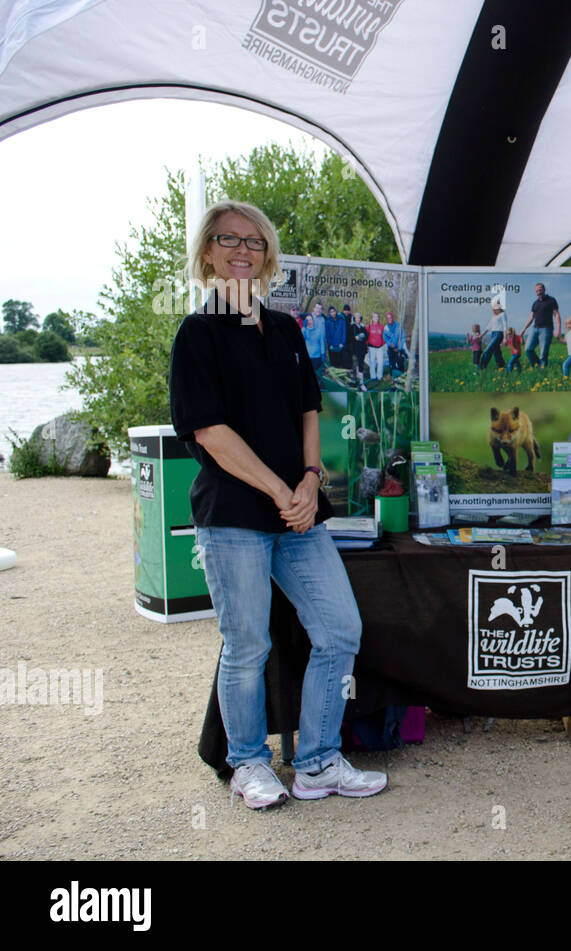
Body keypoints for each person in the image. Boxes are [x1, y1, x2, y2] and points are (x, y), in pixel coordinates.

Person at [168, 199, 386, 809]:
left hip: (300, 514)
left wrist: (312, 479)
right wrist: (280, 489)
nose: (242, 250)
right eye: (228, 240)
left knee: (340, 630)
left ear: (268, 257)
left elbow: (308, 411)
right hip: (234, 517)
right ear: (207, 254)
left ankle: (317, 761)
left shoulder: (287, 329)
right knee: (248, 647)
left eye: (254, 242)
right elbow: (208, 431)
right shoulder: (197, 335)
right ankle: (247, 763)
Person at [522, 282, 560, 368]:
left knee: (543, 354)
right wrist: (524, 329)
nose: (538, 292)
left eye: (540, 290)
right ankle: (537, 365)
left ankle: (542, 371)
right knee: (528, 349)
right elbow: (531, 317)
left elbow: (557, 314)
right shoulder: (535, 303)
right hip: (535, 328)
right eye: (536, 290)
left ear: (544, 290)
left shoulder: (551, 300)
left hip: (546, 329)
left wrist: (558, 329)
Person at [479, 301, 507, 371]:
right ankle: (502, 367)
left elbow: (505, 326)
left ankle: (481, 369)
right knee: (496, 353)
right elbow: (488, 327)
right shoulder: (494, 316)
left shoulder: (502, 314)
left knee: (487, 351)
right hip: (493, 334)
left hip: (499, 334)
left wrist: (505, 338)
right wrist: (481, 335)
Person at [383, 311, 407, 376]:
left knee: (400, 362)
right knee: (392, 363)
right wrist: (390, 344)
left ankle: (401, 376)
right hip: (391, 348)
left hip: (399, 348)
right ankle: (393, 376)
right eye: (387, 318)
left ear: (392, 318)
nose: (389, 319)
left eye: (390, 317)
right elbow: (385, 338)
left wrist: (399, 347)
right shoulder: (386, 328)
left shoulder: (398, 326)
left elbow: (403, 337)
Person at [324, 303, 347, 369]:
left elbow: (344, 332)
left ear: (336, 311)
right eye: (331, 312)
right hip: (332, 346)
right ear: (329, 313)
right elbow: (327, 335)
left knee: (341, 363)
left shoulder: (341, 320)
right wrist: (330, 344)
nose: (333, 313)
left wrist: (342, 343)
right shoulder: (327, 322)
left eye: (334, 311)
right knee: (334, 364)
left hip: (340, 345)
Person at [349, 312, 368, 390]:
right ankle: (354, 383)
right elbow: (350, 337)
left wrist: (362, 336)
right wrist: (355, 338)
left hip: (362, 350)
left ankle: (361, 383)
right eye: (356, 318)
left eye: (359, 318)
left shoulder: (363, 327)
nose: (358, 319)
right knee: (354, 366)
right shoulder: (352, 327)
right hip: (354, 350)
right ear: (354, 319)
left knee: (361, 366)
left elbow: (366, 336)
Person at [365, 312, 385, 382]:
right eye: (374, 317)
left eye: (377, 317)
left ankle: (379, 376)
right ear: (372, 318)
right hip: (371, 347)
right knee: (372, 362)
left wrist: (382, 344)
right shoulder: (368, 327)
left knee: (381, 362)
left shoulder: (382, 326)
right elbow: (366, 337)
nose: (375, 318)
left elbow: (384, 337)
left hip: (380, 347)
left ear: (378, 318)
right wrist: (366, 345)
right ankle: (373, 377)